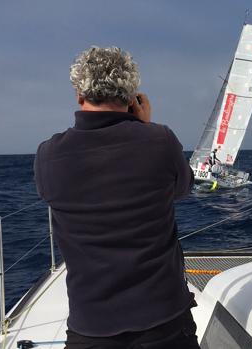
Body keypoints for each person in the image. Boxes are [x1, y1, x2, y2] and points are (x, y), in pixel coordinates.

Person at [33, 46, 199, 349]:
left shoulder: (49, 155)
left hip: (91, 329)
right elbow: (183, 188)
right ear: (131, 96)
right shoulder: (160, 140)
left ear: (79, 95)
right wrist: (143, 127)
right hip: (165, 321)